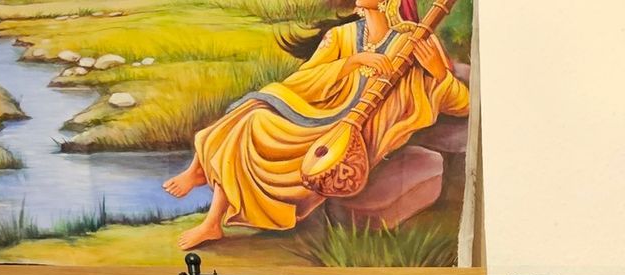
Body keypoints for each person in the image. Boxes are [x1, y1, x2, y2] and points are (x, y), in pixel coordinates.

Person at [164, 0, 468, 249]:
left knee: (255, 120)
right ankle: (211, 216)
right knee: (255, 112)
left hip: (355, 137)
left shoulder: (414, 41)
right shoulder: (341, 37)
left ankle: (203, 185)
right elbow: (303, 81)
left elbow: (462, 104)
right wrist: (352, 62)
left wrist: (439, 73)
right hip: (316, 115)